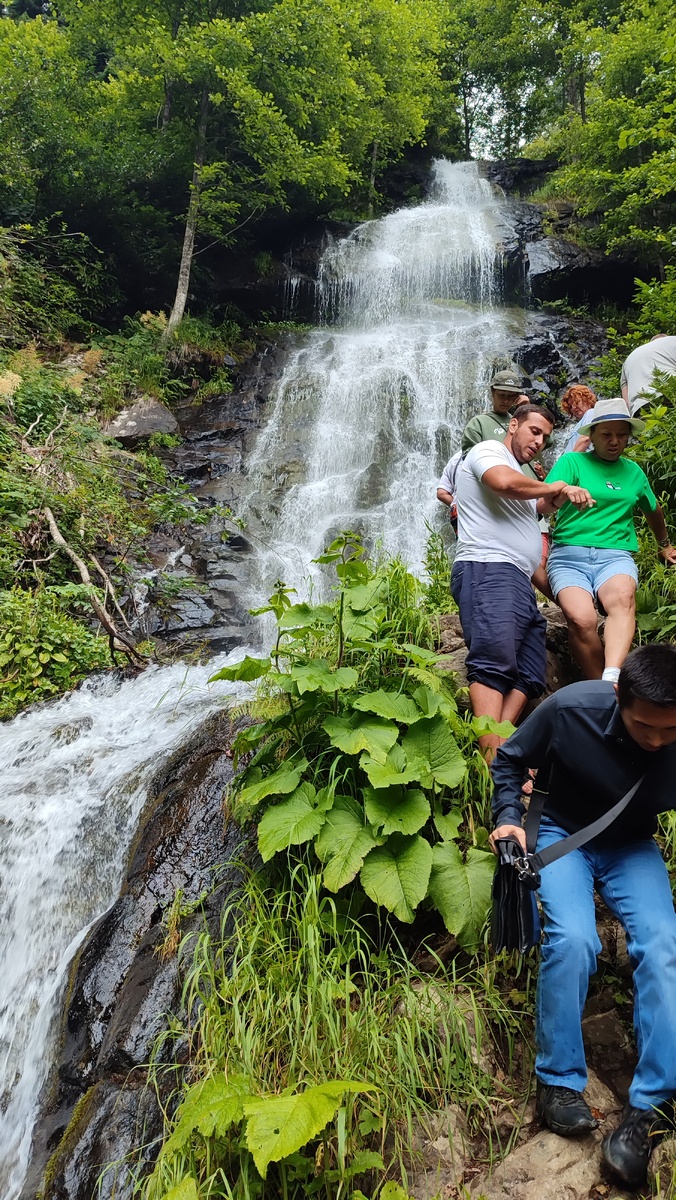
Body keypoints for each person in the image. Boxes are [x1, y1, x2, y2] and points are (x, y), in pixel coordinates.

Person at [489, 643, 676, 1189]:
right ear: (620, 697)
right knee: (573, 939)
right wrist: (508, 819)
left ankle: (649, 1105)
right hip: (561, 832)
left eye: (671, 730)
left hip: (633, 845)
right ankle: (558, 1081)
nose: (659, 740)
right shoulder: (572, 709)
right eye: (647, 728)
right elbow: (507, 760)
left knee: (663, 944)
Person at [451, 404, 594, 759]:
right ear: (513, 425)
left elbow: (537, 507)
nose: (539, 441)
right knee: (493, 662)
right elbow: (502, 483)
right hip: (487, 568)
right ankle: (493, 764)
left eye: (545, 437)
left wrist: (556, 498)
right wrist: (553, 484)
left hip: (518, 579)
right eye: (534, 431)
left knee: (530, 672)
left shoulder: (521, 473)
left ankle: (499, 748)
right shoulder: (490, 450)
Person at [544, 398, 676, 683]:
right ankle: (602, 691)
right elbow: (542, 505)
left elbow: (653, 508)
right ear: (591, 436)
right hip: (569, 555)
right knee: (582, 620)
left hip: (615, 555)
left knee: (623, 599)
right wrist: (564, 490)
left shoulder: (633, 472)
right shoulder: (572, 462)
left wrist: (664, 544)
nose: (615, 441)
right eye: (606, 434)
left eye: (621, 434)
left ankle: (612, 678)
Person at [621, 334, 676, 415]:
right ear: (666, 337)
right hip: (670, 395)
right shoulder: (672, 340)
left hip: (641, 408)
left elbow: (626, 403)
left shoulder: (627, 360)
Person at [560, 383, 596, 454]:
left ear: (587, 399)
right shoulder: (582, 421)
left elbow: (585, 439)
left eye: (576, 402)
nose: (573, 408)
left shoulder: (591, 413)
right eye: (570, 406)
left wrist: (571, 462)